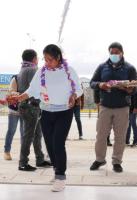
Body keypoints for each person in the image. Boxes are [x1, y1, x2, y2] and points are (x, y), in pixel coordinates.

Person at [7, 44, 82, 192]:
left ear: (58, 58)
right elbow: (32, 90)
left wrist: (74, 96)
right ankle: (56, 169)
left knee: (58, 143)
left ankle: (61, 176)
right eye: (45, 59)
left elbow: (78, 88)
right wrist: (20, 97)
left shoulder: (69, 71)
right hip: (46, 112)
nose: (47, 63)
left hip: (64, 111)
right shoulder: (41, 72)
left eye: (50, 60)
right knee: (49, 144)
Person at [90, 42, 137, 173]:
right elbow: (92, 82)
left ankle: (117, 162)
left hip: (122, 107)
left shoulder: (130, 68)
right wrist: (100, 85)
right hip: (105, 106)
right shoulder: (102, 67)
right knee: (101, 135)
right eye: (112, 52)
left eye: (117, 52)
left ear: (122, 53)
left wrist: (130, 90)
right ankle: (99, 159)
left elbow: (135, 87)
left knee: (120, 137)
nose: (114, 55)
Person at [15, 49, 50, 171]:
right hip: (31, 106)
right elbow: (36, 89)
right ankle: (23, 163)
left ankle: (39, 159)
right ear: (34, 58)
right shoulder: (33, 70)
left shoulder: (22, 69)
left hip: (26, 105)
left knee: (36, 134)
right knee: (29, 135)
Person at [4, 75, 23, 160]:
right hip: (14, 110)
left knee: (24, 133)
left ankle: (23, 153)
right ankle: (6, 151)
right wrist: (22, 95)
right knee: (11, 131)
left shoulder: (32, 78)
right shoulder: (16, 78)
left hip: (25, 110)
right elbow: (11, 91)